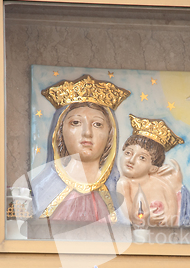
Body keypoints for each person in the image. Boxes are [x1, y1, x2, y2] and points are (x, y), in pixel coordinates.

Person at [30, 75, 130, 223]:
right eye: (76, 122)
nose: (87, 133)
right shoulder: (40, 190)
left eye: (97, 124)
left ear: (110, 134)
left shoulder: (122, 192)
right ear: (60, 131)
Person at [118, 114, 190, 227]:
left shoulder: (162, 184)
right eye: (128, 153)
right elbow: (129, 214)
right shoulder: (124, 184)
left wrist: (178, 186)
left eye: (142, 158)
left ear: (153, 167)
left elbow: (172, 210)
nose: (131, 160)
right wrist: (146, 219)